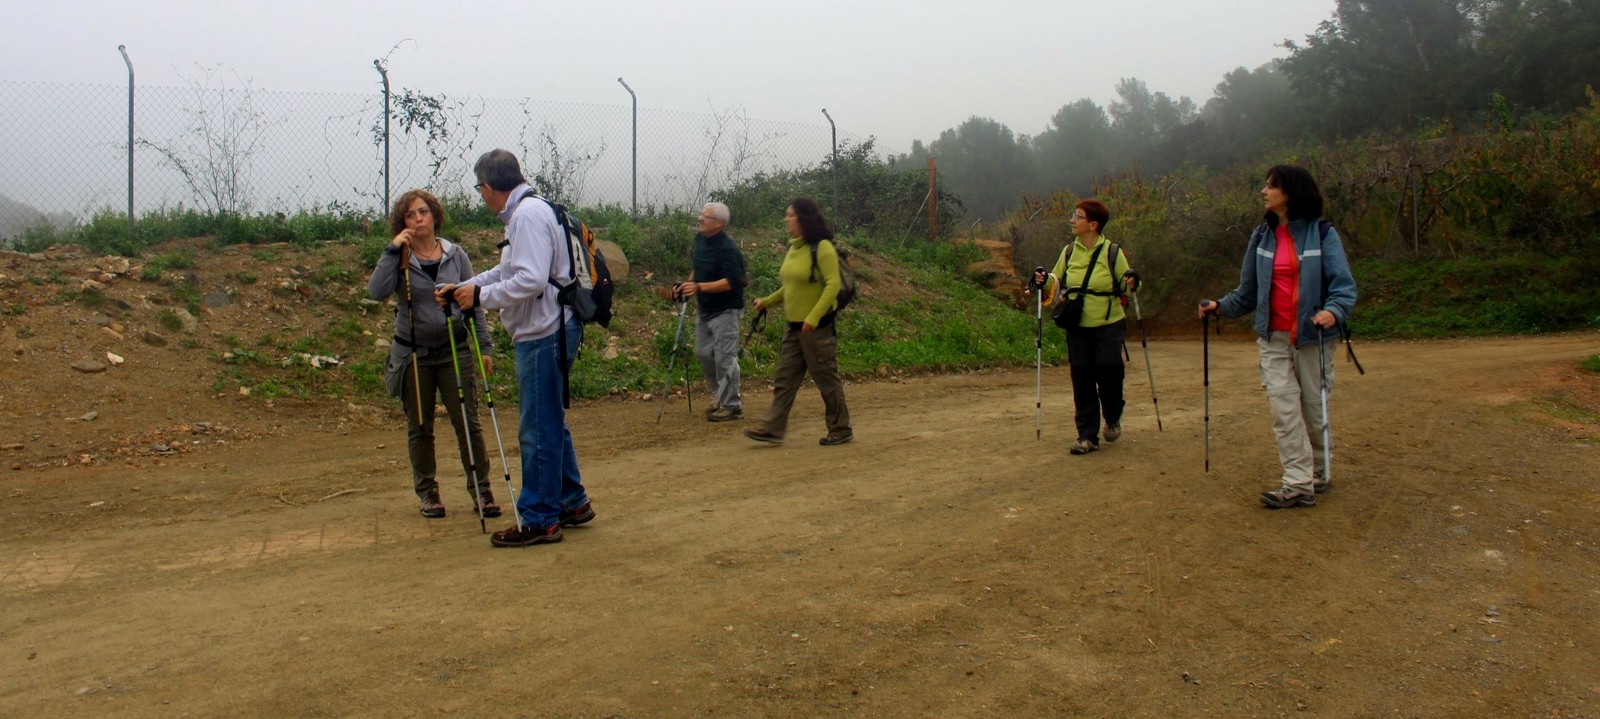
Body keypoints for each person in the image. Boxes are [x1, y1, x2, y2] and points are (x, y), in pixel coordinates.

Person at [439, 149, 593, 546]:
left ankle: (540, 518)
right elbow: (509, 270)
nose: (482, 197)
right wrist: (466, 287)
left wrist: (479, 297)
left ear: (489, 187)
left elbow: (530, 280)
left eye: (480, 189)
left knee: (537, 425)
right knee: (548, 418)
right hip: (552, 326)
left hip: (544, 331)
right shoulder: (532, 210)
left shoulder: (526, 216)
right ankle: (571, 501)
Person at [1199, 164, 1357, 509]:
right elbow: (1247, 292)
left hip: (1313, 339)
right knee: (1283, 409)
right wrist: (1220, 306)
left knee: (1313, 410)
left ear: (1291, 192)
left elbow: (1343, 286)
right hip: (1273, 339)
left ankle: (1319, 470)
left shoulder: (1322, 233)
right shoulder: (1261, 236)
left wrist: (1333, 311)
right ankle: (1298, 482)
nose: (1264, 191)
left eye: (1271, 186)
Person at [367, 189, 497, 519]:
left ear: (435, 216)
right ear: (402, 223)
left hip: (454, 348)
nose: (418, 219)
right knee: (420, 426)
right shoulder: (399, 258)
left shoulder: (456, 255)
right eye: (410, 214)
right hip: (413, 354)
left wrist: (483, 347)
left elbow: (473, 303)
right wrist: (391, 250)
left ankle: (481, 489)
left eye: (423, 212)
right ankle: (428, 493)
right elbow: (376, 291)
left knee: (468, 422)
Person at [1032, 199, 1138, 456]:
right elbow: (1056, 280)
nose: (1072, 220)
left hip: (1109, 324)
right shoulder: (1069, 251)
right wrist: (1043, 280)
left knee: (1109, 373)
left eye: (1077, 216)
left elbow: (1128, 286)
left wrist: (1133, 282)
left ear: (1093, 224)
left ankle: (1112, 415)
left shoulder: (1113, 252)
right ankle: (1087, 435)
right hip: (1077, 324)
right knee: (1082, 378)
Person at [743, 198, 852, 446]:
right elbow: (791, 286)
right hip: (794, 328)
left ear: (804, 218)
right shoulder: (793, 248)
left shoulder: (822, 247)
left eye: (790, 215)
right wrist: (767, 302)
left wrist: (813, 317)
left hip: (818, 328)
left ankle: (841, 428)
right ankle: (773, 427)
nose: (786, 219)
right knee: (785, 379)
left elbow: (832, 285)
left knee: (826, 378)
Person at [676, 202, 747, 422]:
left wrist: (699, 287)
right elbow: (698, 266)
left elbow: (731, 282)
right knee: (703, 353)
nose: (700, 219)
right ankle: (721, 396)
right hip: (705, 308)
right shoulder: (700, 240)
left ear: (718, 223)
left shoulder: (728, 249)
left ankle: (731, 405)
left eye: (704, 217)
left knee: (725, 358)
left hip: (726, 310)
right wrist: (688, 285)